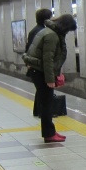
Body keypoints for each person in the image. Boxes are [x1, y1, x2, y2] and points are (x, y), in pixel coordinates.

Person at [23, 13, 77, 143]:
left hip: (37, 70)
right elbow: (48, 60)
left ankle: (50, 131)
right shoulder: (52, 36)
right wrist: (50, 80)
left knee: (46, 102)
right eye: (68, 30)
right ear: (65, 27)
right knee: (47, 104)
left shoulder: (47, 31)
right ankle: (49, 134)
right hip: (41, 72)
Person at [25, 8, 52, 117]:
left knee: (40, 90)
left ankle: (37, 111)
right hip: (39, 65)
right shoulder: (42, 32)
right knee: (43, 91)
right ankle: (42, 112)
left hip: (33, 64)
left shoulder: (34, 30)